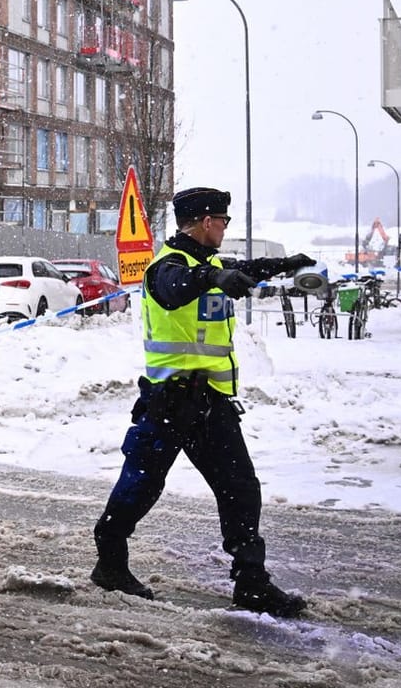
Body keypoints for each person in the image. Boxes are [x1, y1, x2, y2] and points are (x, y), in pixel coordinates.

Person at [90, 186, 317, 617]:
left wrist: (284, 265)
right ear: (206, 221)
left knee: (240, 489)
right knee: (140, 486)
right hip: (167, 403)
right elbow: (176, 288)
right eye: (224, 221)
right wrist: (215, 278)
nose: (226, 229)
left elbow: (240, 268)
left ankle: (251, 582)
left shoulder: (207, 263)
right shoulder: (166, 268)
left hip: (210, 406)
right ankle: (110, 561)